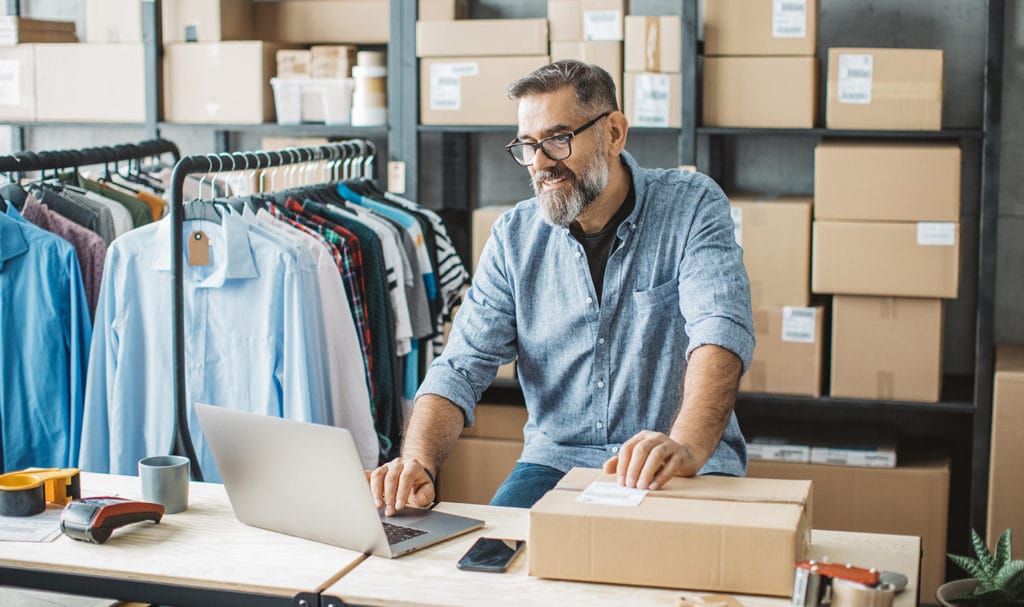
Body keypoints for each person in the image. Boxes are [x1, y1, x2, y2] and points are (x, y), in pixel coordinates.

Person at [370, 60, 754, 515]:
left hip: (674, 460)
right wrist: (417, 460)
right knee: (491, 567)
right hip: (555, 465)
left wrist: (687, 445)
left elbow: (719, 331)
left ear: (614, 133)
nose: (541, 164)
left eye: (557, 139)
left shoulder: (692, 205)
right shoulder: (514, 237)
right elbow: (460, 366)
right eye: (528, 146)